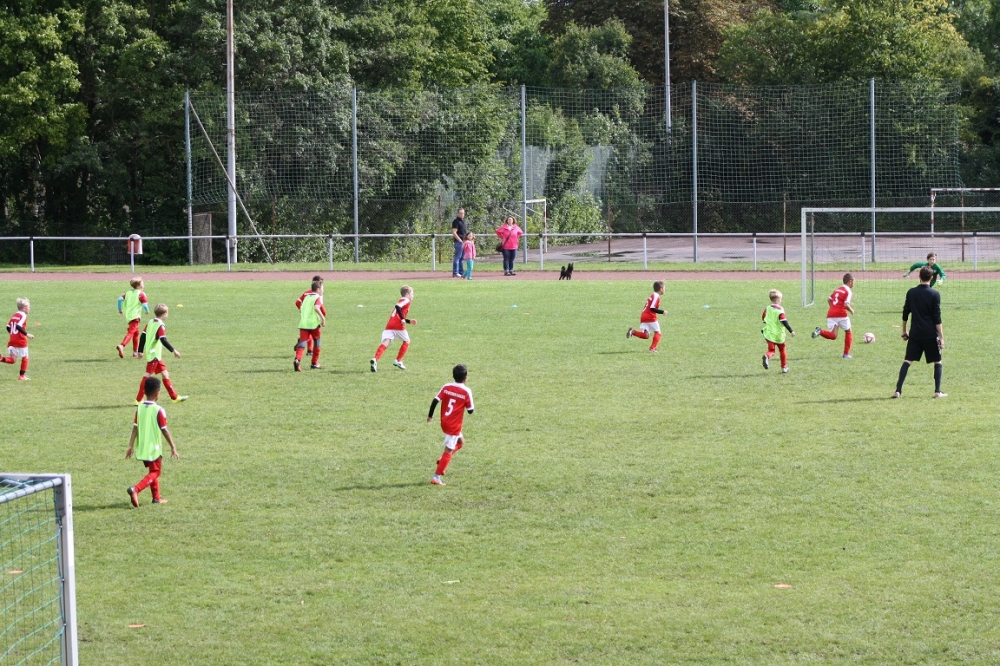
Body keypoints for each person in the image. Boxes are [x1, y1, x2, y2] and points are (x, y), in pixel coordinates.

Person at [892, 266, 946, 399]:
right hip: (930, 334)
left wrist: (904, 331)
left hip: (915, 334)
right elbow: (937, 318)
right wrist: (941, 337)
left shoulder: (911, 292)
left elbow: (905, 313)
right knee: (937, 361)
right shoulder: (935, 294)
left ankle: (898, 391)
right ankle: (937, 391)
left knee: (907, 361)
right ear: (932, 278)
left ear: (919, 277)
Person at [126, 376, 179, 507]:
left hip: (142, 446)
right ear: (157, 393)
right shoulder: (159, 410)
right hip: (154, 448)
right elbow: (164, 430)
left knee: (152, 471)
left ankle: (156, 498)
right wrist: (173, 447)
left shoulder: (139, 408)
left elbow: (135, 428)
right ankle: (136, 489)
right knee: (156, 472)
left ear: (144, 392)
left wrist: (130, 446)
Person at [428, 364, 475, 486]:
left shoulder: (447, 386)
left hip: (444, 422)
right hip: (454, 425)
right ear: (465, 378)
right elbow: (470, 410)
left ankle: (442, 460)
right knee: (449, 450)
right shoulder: (466, 391)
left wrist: (430, 416)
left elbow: (435, 400)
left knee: (461, 442)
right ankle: (436, 476)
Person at [135, 304, 188, 403]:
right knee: (147, 375)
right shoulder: (160, 325)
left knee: (165, 374)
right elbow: (163, 340)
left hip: (156, 355)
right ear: (164, 314)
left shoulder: (151, 322)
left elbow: (143, 336)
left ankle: (174, 397)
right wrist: (174, 350)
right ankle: (138, 400)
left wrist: (140, 351)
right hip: (154, 355)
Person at [371, 285, 417, 372]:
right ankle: (398, 360)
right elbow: (398, 307)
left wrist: (408, 321)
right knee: (407, 341)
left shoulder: (402, 300)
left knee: (386, 342)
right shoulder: (406, 300)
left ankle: (375, 359)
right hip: (398, 325)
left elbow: (398, 314)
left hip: (390, 325)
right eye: (412, 294)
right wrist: (403, 319)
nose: (413, 296)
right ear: (407, 294)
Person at [812, 273, 855, 358]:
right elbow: (846, 304)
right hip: (841, 314)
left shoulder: (838, 289)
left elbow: (829, 299)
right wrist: (851, 310)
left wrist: (833, 308)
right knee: (848, 331)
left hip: (831, 314)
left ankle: (820, 331)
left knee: (833, 335)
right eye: (853, 281)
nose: (854, 283)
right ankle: (846, 354)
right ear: (850, 281)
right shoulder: (848, 291)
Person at [294, 279, 326, 371]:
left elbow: (299, 305)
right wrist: (323, 318)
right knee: (317, 343)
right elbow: (317, 307)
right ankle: (314, 363)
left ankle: (297, 359)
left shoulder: (307, 297)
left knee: (302, 343)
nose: (323, 290)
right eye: (322, 288)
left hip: (303, 324)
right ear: (318, 289)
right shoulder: (317, 298)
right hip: (314, 324)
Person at [761, 289, 796, 373]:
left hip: (769, 334)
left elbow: (763, 317)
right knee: (782, 349)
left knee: (771, 350)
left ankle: (767, 356)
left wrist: (766, 322)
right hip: (778, 335)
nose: (781, 301)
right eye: (780, 299)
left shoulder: (768, 308)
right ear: (777, 300)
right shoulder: (780, 311)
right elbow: (784, 322)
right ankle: (784, 367)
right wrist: (791, 331)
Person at [626, 281, 667, 353]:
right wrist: (662, 311)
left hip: (644, 316)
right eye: (664, 288)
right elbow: (652, 308)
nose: (664, 289)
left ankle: (633, 332)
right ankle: (652, 348)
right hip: (650, 316)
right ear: (661, 289)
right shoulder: (656, 296)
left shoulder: (653, 295)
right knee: (658, 333)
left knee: (646, 335)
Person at [1, 298, 34, 381]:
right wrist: (27, 334)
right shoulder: (23, 315)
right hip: (20, 340)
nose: (29, 309)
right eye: (29, 307)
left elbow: (7, 327)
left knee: (13, 360)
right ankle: (22, 376)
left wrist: (13, 334)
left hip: (12, 340)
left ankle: (1, 358)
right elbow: (18, 326)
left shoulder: (15, 314)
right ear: (24, 308)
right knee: (25, 357)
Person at [116, 277, 149, 358]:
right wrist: (147, 310)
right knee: (131, 332)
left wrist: (120, 309)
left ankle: (135, 352)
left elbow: (119, 299)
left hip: (129, 316)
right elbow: (145, 304)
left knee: (136, 333)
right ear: (138, 286)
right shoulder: (141, 294)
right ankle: (122, 345)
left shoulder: (128, 293)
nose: (144, 285)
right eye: (142, 283)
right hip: (135, 316)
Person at [451, 208, 468, 278]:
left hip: (464, 242)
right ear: (457, 213)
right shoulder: (456, 221)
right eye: (460, 213)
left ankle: (461, 272)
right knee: (457, 257)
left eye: (463, 213)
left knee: (462, 258)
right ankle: (455, 272)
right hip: (459, 243)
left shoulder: (463, 221)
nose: (462, 214)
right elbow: (454, 232)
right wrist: (460, 240)